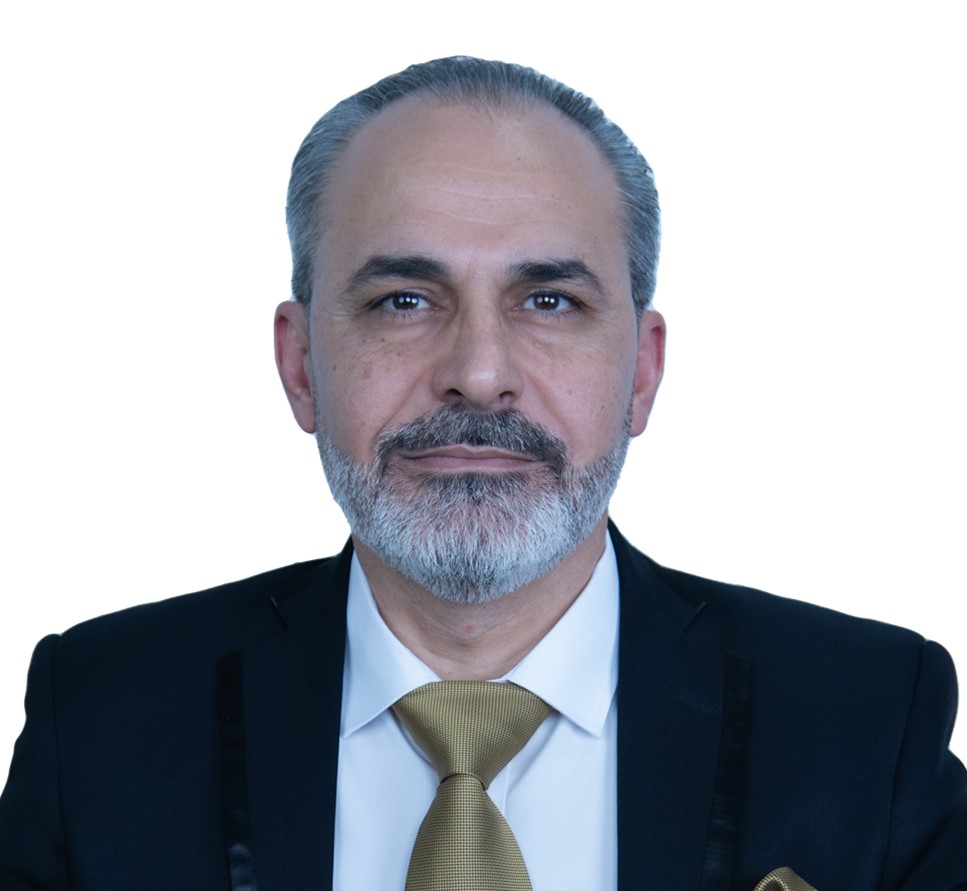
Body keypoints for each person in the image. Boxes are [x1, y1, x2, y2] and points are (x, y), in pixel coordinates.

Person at [1, 56, 964, 891]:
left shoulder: (865, 720)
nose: (478, 370)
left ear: (640, 373)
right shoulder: (100, 720)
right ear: (300, 366)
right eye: (403, 299)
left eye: (548, 300)